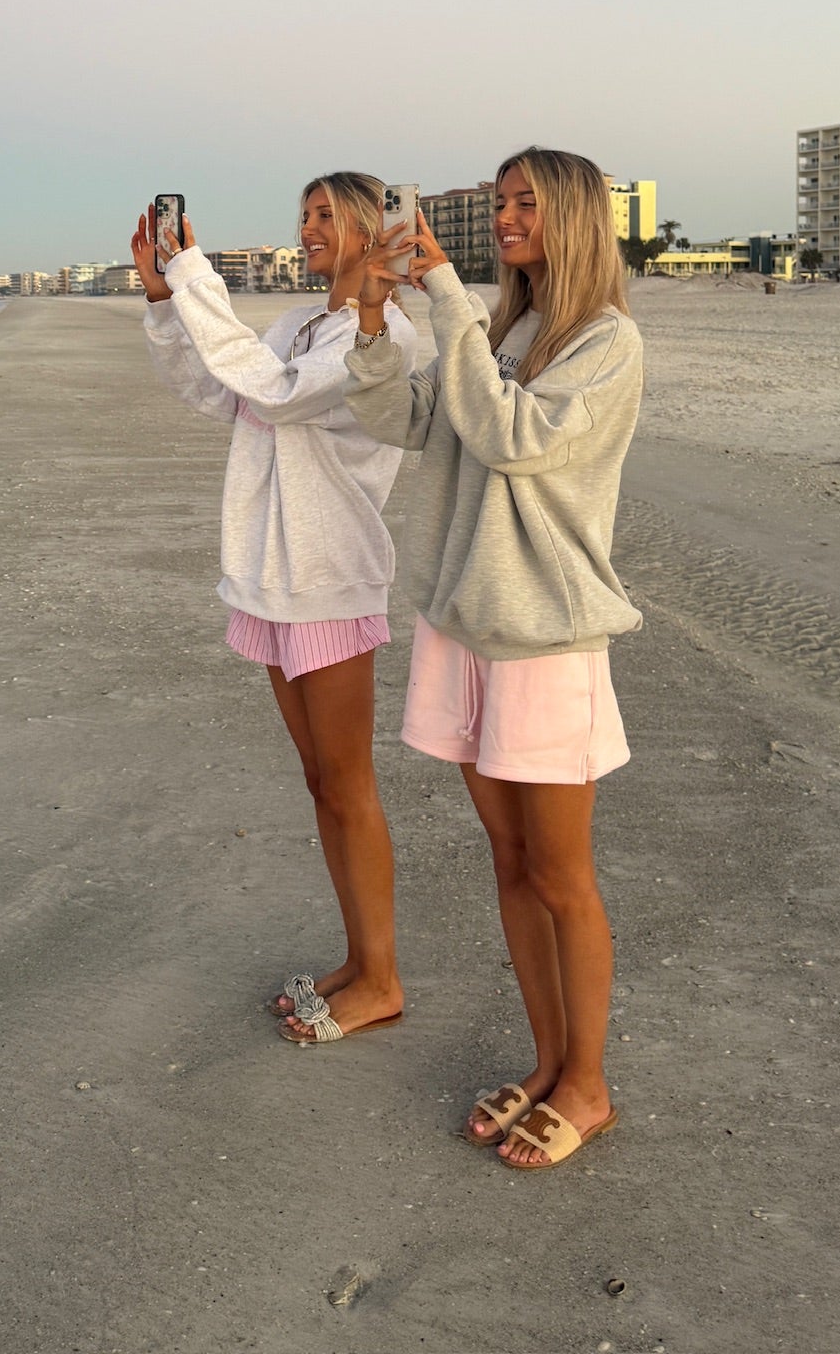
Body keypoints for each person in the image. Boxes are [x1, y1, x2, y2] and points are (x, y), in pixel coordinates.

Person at [344, 147, 643, 1168]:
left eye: (526, 203)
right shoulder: (502, 326)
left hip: (544, 640)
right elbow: (413, 417)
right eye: (500, 202)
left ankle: (590, 1084)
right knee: (508, 860)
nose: (506, 217)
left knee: (562, 871)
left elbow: (513, 437)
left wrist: (438, 293)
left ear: (572, 217)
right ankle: (552, 1057)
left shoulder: (607, 342)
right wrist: (379, 322)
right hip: (466, 622)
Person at [131, 176, 418, 1044]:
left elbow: (282, 394)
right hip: (271, 572)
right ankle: (359, 960)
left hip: (328, 575)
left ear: (374, 233)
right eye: (305, 215)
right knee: (320, 780)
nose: (308, 230)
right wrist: (162, 301)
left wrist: (196, 278)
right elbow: (227, 390)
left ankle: (383, 977)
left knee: (349, 783)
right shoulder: (300, 325)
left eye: (326, 216)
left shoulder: (385, 337)